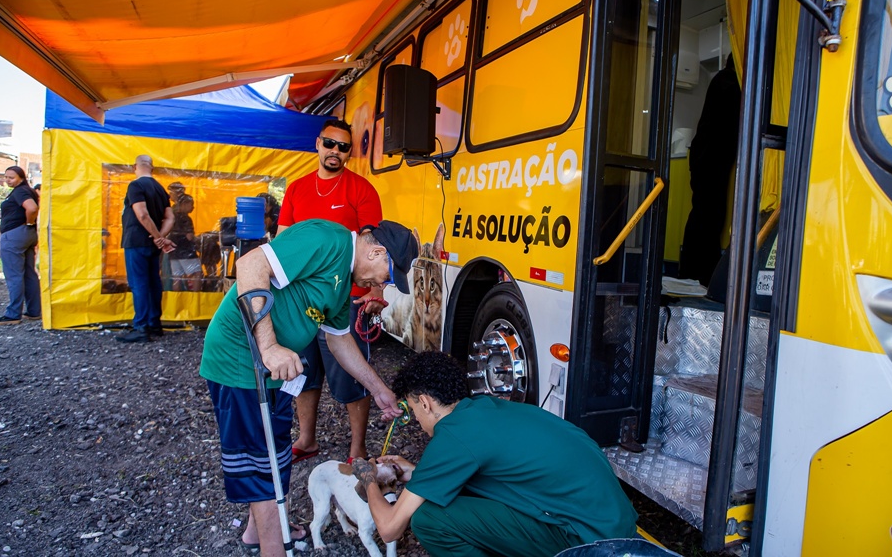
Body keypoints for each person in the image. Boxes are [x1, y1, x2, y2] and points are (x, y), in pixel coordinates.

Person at [200, 218, 418, 557]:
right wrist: (269, 347)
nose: (383, 284)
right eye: (388, 276)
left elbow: (340, 340)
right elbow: (249, 265)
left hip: (276, 370)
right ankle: (274, 548)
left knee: (277, 451)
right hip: (240, 360)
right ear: (377, 252)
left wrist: (378, 389)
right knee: (262, 459)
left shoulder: (343, 282)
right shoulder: (324, 239)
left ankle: (258, 531)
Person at [352, 351, 639, 557]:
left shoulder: (453, 435)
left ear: (425, 403)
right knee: (457, 495)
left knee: (428, 520)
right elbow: (494, 473)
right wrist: (417, 473)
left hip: (591, 542)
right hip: (614, 522)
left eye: (414, 411)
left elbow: (389, 528)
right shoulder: (485, 410)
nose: (417, 419)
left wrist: (367, 478)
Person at [277, 119, 385, 462]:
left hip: (347, 298)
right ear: (318, 144)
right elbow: (282, 241)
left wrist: (375, 290)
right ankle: (307, 439)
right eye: (330, 143)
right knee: (302, 373)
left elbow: (373, 246)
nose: (335, 151)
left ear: (349, 153)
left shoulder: (361, 189)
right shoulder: (296, 189)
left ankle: (358, 448)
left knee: (350, 375)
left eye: (343, 147)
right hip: (299, 299)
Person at [679, 53, 742, 286]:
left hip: (704, 156)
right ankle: (702, 273)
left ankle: (693, 271)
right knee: (710, 216)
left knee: (703, 214)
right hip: (711, 158)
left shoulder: (720, 81)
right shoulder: (730, 83)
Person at [116, 154, 175, 343]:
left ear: (135, 166)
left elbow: (141, 214)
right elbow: (170, 218)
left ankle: (140, 327)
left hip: (136, 241)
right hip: (152, 245)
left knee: (139, 283)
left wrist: (159, 237)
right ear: (152, 168)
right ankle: (154, 324)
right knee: (153, 282)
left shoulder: (136, 186)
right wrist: (161, 238)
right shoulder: (160, 189)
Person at [0, 166, 41, 324]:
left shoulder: (20, 191)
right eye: (6, 177)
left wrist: (29, 222)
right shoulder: (25, 190)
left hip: (15, 235)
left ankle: (13, 314)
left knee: (14, 274)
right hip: (26, 234)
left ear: (21, 178)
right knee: (29, 273)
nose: (7, 180)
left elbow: (32, 208)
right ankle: (34, 311)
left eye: (11, 177)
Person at [168, 194, 202, 291]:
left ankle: (176, 299)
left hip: (173, 252)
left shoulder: (171, 217)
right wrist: (197, 239)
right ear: (184, 204)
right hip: (186, 252)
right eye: (191, 204)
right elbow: (189, 236)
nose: (193, 207)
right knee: (197, 273)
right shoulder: (186, 218)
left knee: (176, 278)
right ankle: (195, 298)